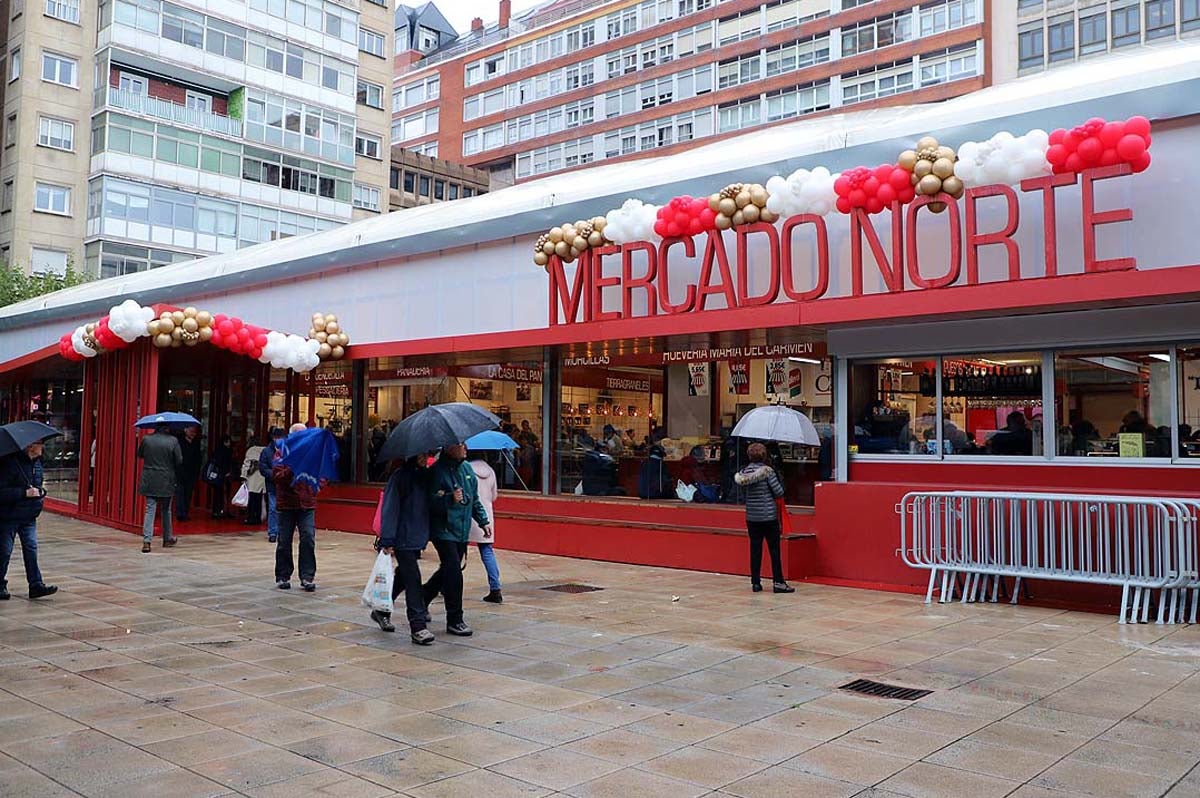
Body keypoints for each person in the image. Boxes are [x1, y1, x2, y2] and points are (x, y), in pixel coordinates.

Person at [423, 443, 491, 637]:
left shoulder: (467, 469)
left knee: (448, 569)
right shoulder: (436, 471)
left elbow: (474, 498)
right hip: (443, 530)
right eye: (460, 444)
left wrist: (483, 521)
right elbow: (429, 500)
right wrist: (448, 499)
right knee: (454, 572)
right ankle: (455, 619)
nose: (465, 447)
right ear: (449, 448)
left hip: (461, 529)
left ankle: (423, 596)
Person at [373, 454, 435, 644]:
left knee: (403, 575)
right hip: (402, 537)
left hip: (417, 535)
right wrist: (387, 539)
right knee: (413, 579)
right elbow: (390, 509)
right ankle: (417, 626)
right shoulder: (400, 477)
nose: (427, 458)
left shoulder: (425, 476)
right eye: (423, 455)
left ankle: (381, 610)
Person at [0, 440, 58, 600]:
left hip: (29, 516)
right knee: (4, 551)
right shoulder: (10, 464)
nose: (43, 447)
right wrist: (23, 493)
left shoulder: (37, 464)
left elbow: (38, 486)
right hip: (9, 516)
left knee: (31, 550)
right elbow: (2, 492)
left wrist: (40, 493)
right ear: (30, 446)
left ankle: (36, 585)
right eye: (40, 444)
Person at [733, 442, 794, 594]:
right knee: (774, 550)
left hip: (752, 516)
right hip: (769, 516)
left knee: (755, 549)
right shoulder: (767, 471)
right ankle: (778, 582)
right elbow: (778, 492)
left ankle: (755, 582)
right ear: (764, 455)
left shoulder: (744, 473)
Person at [273, 423, 322, 591]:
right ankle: (283, 575)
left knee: (308, 538)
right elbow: (277, 476)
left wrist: (318, 485)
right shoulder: (281, 452)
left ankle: (307, 576)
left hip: (307, 502)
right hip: (287, 503)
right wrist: (293, 468)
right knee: (284, 540)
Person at [138, 423, 183, 553]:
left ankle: (147, 541)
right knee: (166, 509)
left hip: (150, 478)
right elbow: (179, 459)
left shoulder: (146, 439)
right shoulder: (173, 441)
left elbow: (140, 454)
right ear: (167, 429)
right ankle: (167, 538)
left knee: (150, 509)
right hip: (166, 478)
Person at [468, 452, 502, 603]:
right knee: (487, 552)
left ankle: (444, 584)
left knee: (457, 553)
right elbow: (494, 496)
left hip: (469, 515)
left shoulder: (466, 469)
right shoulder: (491, 471)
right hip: (486, 517)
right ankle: (495, 588)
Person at [258, 427, 286, 543]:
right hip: (272, 485)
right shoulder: (266, 451)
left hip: (285, 485)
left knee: (283, 510)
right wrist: (275, 475)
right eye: (276, 438)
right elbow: (263, 468)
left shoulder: (287, 450)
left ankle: (282, 532)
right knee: (273, 508)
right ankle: (273, 532)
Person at [175, 424, 203, 521]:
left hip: (191, 473)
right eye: (191, 431)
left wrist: (197, 472)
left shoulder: (196, 443)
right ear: (185, 431)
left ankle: (185, 512)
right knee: (180, 493)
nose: (193, 434)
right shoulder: (179, 442)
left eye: (194, 432)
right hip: (180, 472)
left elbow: (199, 459)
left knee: (188, 494)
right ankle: (180, 513)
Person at [207, 435, 234, 518]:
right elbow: (226, 463)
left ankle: (217, 510)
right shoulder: (226, 451)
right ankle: (223, 510)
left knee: (218, 493)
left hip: (217, 476)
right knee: (224, 493)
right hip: (223, 475)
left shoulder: (217, 450)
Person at [241, 437, 267, 525]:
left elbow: (246, 464)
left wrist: (243, 476)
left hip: (252, 478)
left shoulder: (250, 450)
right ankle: (258, 517)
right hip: (262, 477)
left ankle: (251, 517)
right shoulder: (265, 450)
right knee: (259, 499)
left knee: (251, 499)